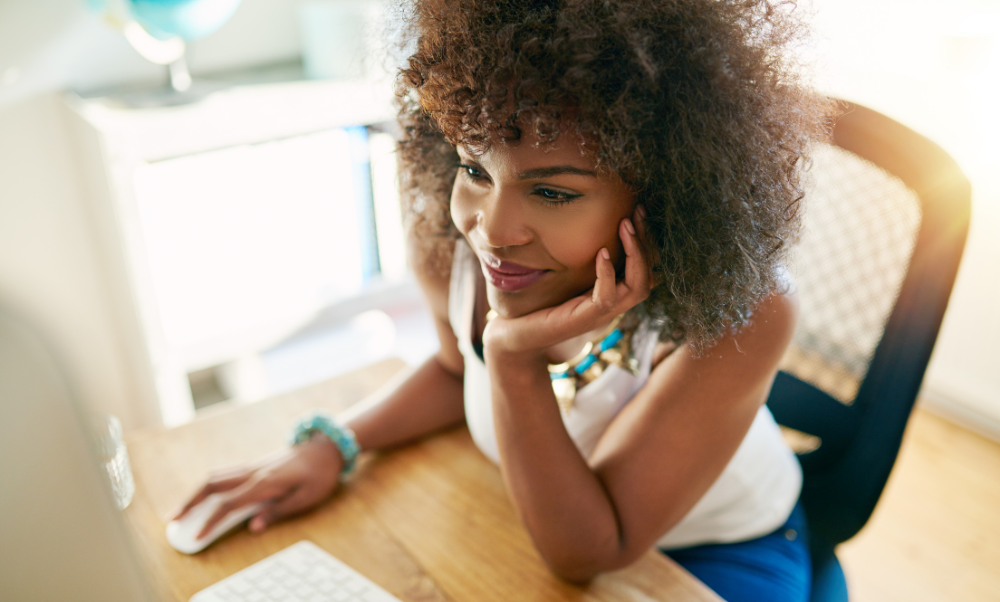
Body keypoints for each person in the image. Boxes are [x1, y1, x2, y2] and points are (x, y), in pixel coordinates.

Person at [174, 0, 834, 599]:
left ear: (663, 194)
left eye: (552, 192)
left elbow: (589, 551)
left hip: (718, 558)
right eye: (474, 168)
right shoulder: (451, 249)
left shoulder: (749, 314)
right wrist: (334, 444)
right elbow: (455, 372)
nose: (491, 228)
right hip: (526, 514)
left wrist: (514, 356)